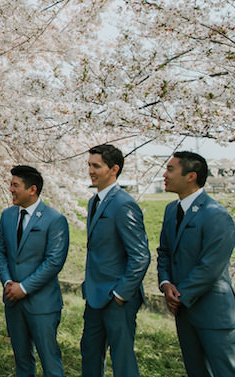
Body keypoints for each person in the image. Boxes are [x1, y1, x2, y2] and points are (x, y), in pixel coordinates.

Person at [157, 151, 235, 377]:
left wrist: (180, 296)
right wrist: (166, 283)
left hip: (214, 314)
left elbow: (211, 267)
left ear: (191, 176)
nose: (164, 174)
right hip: (185, 315)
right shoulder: (170, 211)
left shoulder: (216, 215)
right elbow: (165, 252)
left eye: (170, 169)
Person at [81, 144, 150, 377]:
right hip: (94, 295)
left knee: (122, 359)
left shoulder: (123, 204)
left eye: (96, 166)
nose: (90, 170)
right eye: (89, 165)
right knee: (89, 351)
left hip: (117, 298)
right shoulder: (94, 201)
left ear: (114, 169)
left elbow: (140, 256)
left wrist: (121, 294)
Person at [0, 165, 69, 377]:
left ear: (32, 189)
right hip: (13, 301)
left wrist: (24, 288)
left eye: (15, 185)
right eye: (11, 184)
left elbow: (54, 262)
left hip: (42, 304)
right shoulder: (7, 216)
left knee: (50, 360)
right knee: (22, 361)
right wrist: (8, 282)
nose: (11, 190)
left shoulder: (54, 220)